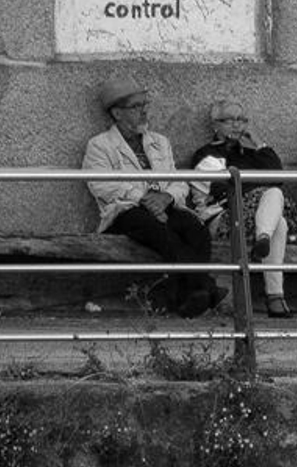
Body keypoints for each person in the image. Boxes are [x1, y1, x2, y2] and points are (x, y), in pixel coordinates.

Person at [83, 76, 224, 318]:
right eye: (135, 107)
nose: (143, 111)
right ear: (117, 113)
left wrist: (167, 197)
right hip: (125, 212)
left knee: (194, 228)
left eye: (144, 105)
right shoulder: (100, 145)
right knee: (159, 231)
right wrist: (144, 198)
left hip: (165, 207)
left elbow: (177, 181)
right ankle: (204, 286)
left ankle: (189, 298)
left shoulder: (159, 141)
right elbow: (101, 184)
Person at [190, 99, 297, 319]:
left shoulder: (252, 153)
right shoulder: (207, 155)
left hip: (256, 219)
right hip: (223, 220)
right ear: (215, 125)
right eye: (229, 120)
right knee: (276, 206)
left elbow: (278, 176)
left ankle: (263, 239)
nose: (237, 125)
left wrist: (259, 143)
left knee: (279, 220)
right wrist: (262, 184)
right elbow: (227, 188)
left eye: (241, 120)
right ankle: (275, 297)